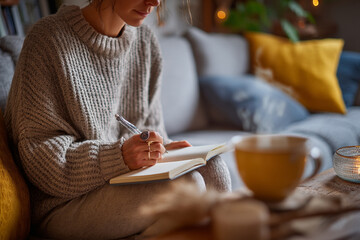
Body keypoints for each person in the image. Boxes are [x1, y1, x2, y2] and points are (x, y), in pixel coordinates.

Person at [4, 0, 231, 239]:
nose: (154, 2)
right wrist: (118, 156)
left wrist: (161, 147)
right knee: (189, 187)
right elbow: (40, 159)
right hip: (63, 202)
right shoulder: (47, 39)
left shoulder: (145, 42)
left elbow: (151, 129)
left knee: (215, 168)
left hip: (123, 182)